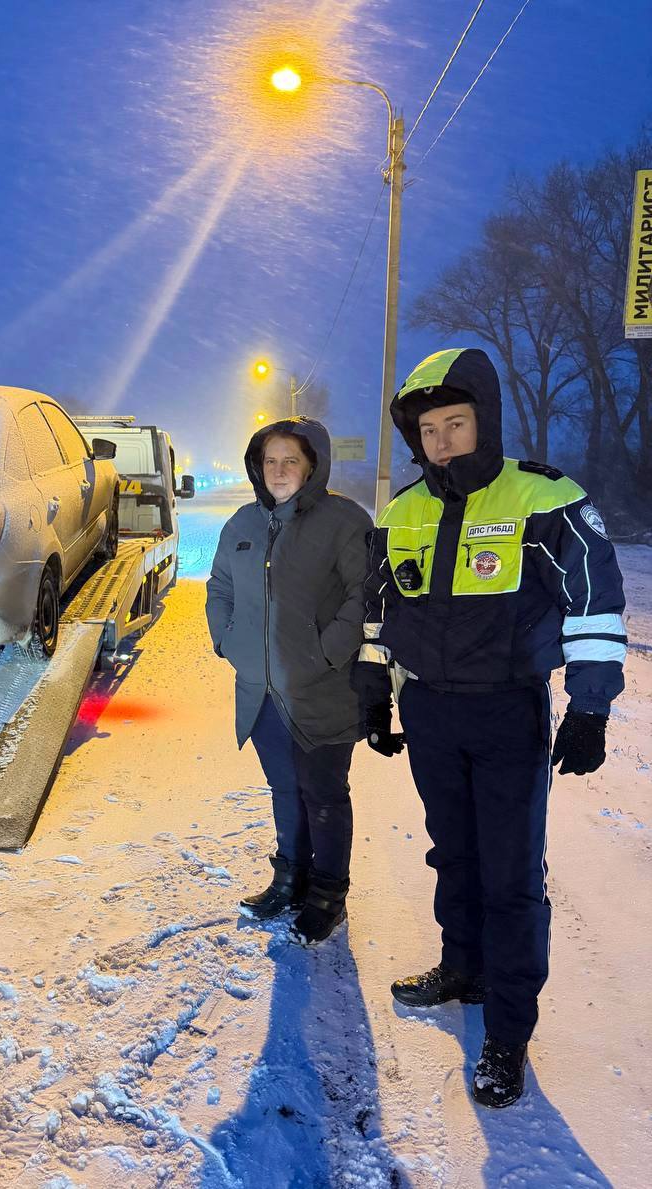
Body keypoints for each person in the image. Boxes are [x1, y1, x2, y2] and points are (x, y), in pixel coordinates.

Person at [355, 346, 627, 1107]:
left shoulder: (543, 497)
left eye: (455, 422)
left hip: (508, 710)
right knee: (454, 852)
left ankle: (507, 1029)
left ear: (485, 420)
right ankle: (461, 967)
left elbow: (594, 603)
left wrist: (590, 705)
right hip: (431, 711)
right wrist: (372, 688)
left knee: (509, 877)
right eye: (428, 429)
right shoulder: (402, 510)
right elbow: (377, 610)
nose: (441, 440)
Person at [206, 417, 372, 945]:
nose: (278, 471)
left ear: (313, 467)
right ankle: (290, 878)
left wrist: (327, 653)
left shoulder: (344, 520)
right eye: (269, 461)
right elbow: (219, 587)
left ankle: (328, 894)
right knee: (285, 789)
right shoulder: (242, 524)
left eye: (290, 461)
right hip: (261, 693)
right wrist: (228, 641)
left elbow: (364, 594)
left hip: (320, 691)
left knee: (323, 794)